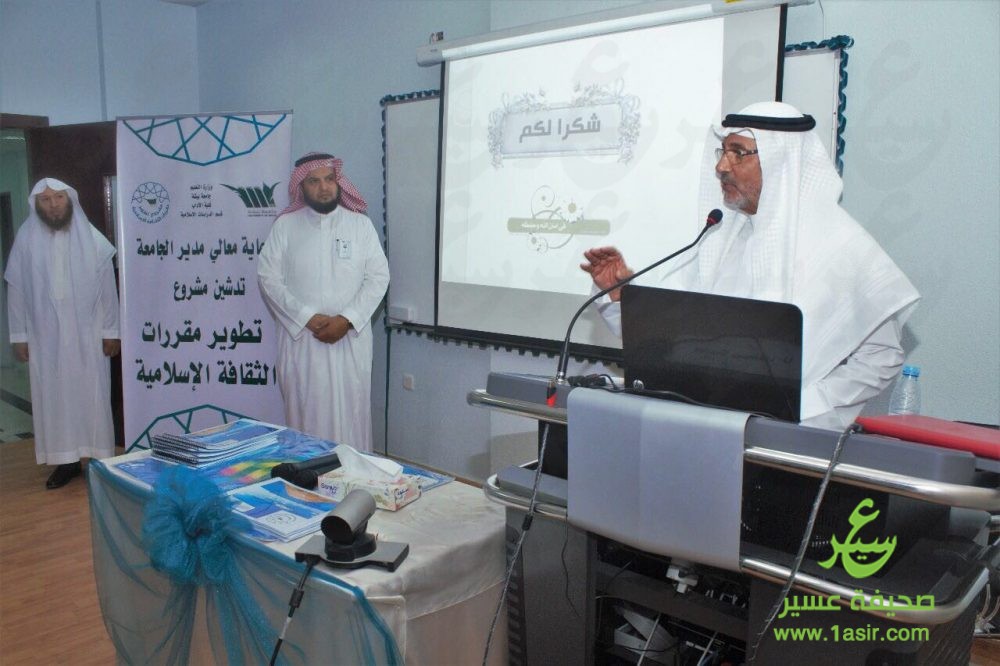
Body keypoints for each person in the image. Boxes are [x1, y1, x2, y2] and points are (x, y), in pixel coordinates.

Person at [581, 102, 920, 431]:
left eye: (738, 153)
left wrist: (804, 408)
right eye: (723, 151)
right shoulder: (720, 236)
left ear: (780, 161)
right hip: (704, 427)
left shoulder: (842, 246)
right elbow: (669, 341)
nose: (721, 167)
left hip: (788, 442)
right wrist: (619, 295)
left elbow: (881, 357)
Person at [257, 153, 389, 452]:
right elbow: (268, 278)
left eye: (329, 179)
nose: (324, 187)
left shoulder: (360, 225)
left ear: (339, 182)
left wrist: (347, 319)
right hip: (303, 341)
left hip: (350, 342)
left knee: (352, 416)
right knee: (306, 415)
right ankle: (306, 476)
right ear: (301, 187)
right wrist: (306, 317)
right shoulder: (285, 227)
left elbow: (378, 277)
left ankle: (354, 475)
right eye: (314, 181)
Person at [5, 178, 121, 489]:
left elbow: (108, 290)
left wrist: (111, 331)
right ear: (36, 205)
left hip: (88, 336)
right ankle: (66, 462)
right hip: (46, 339)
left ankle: (98, 460)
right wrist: (19, 335)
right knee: (55, 399)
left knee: (92, 396)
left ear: (70, 200)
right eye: (45, 200)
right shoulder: (26, 239)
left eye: (58, 197)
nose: (53, 205)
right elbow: (16, 290)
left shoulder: (93, 239)